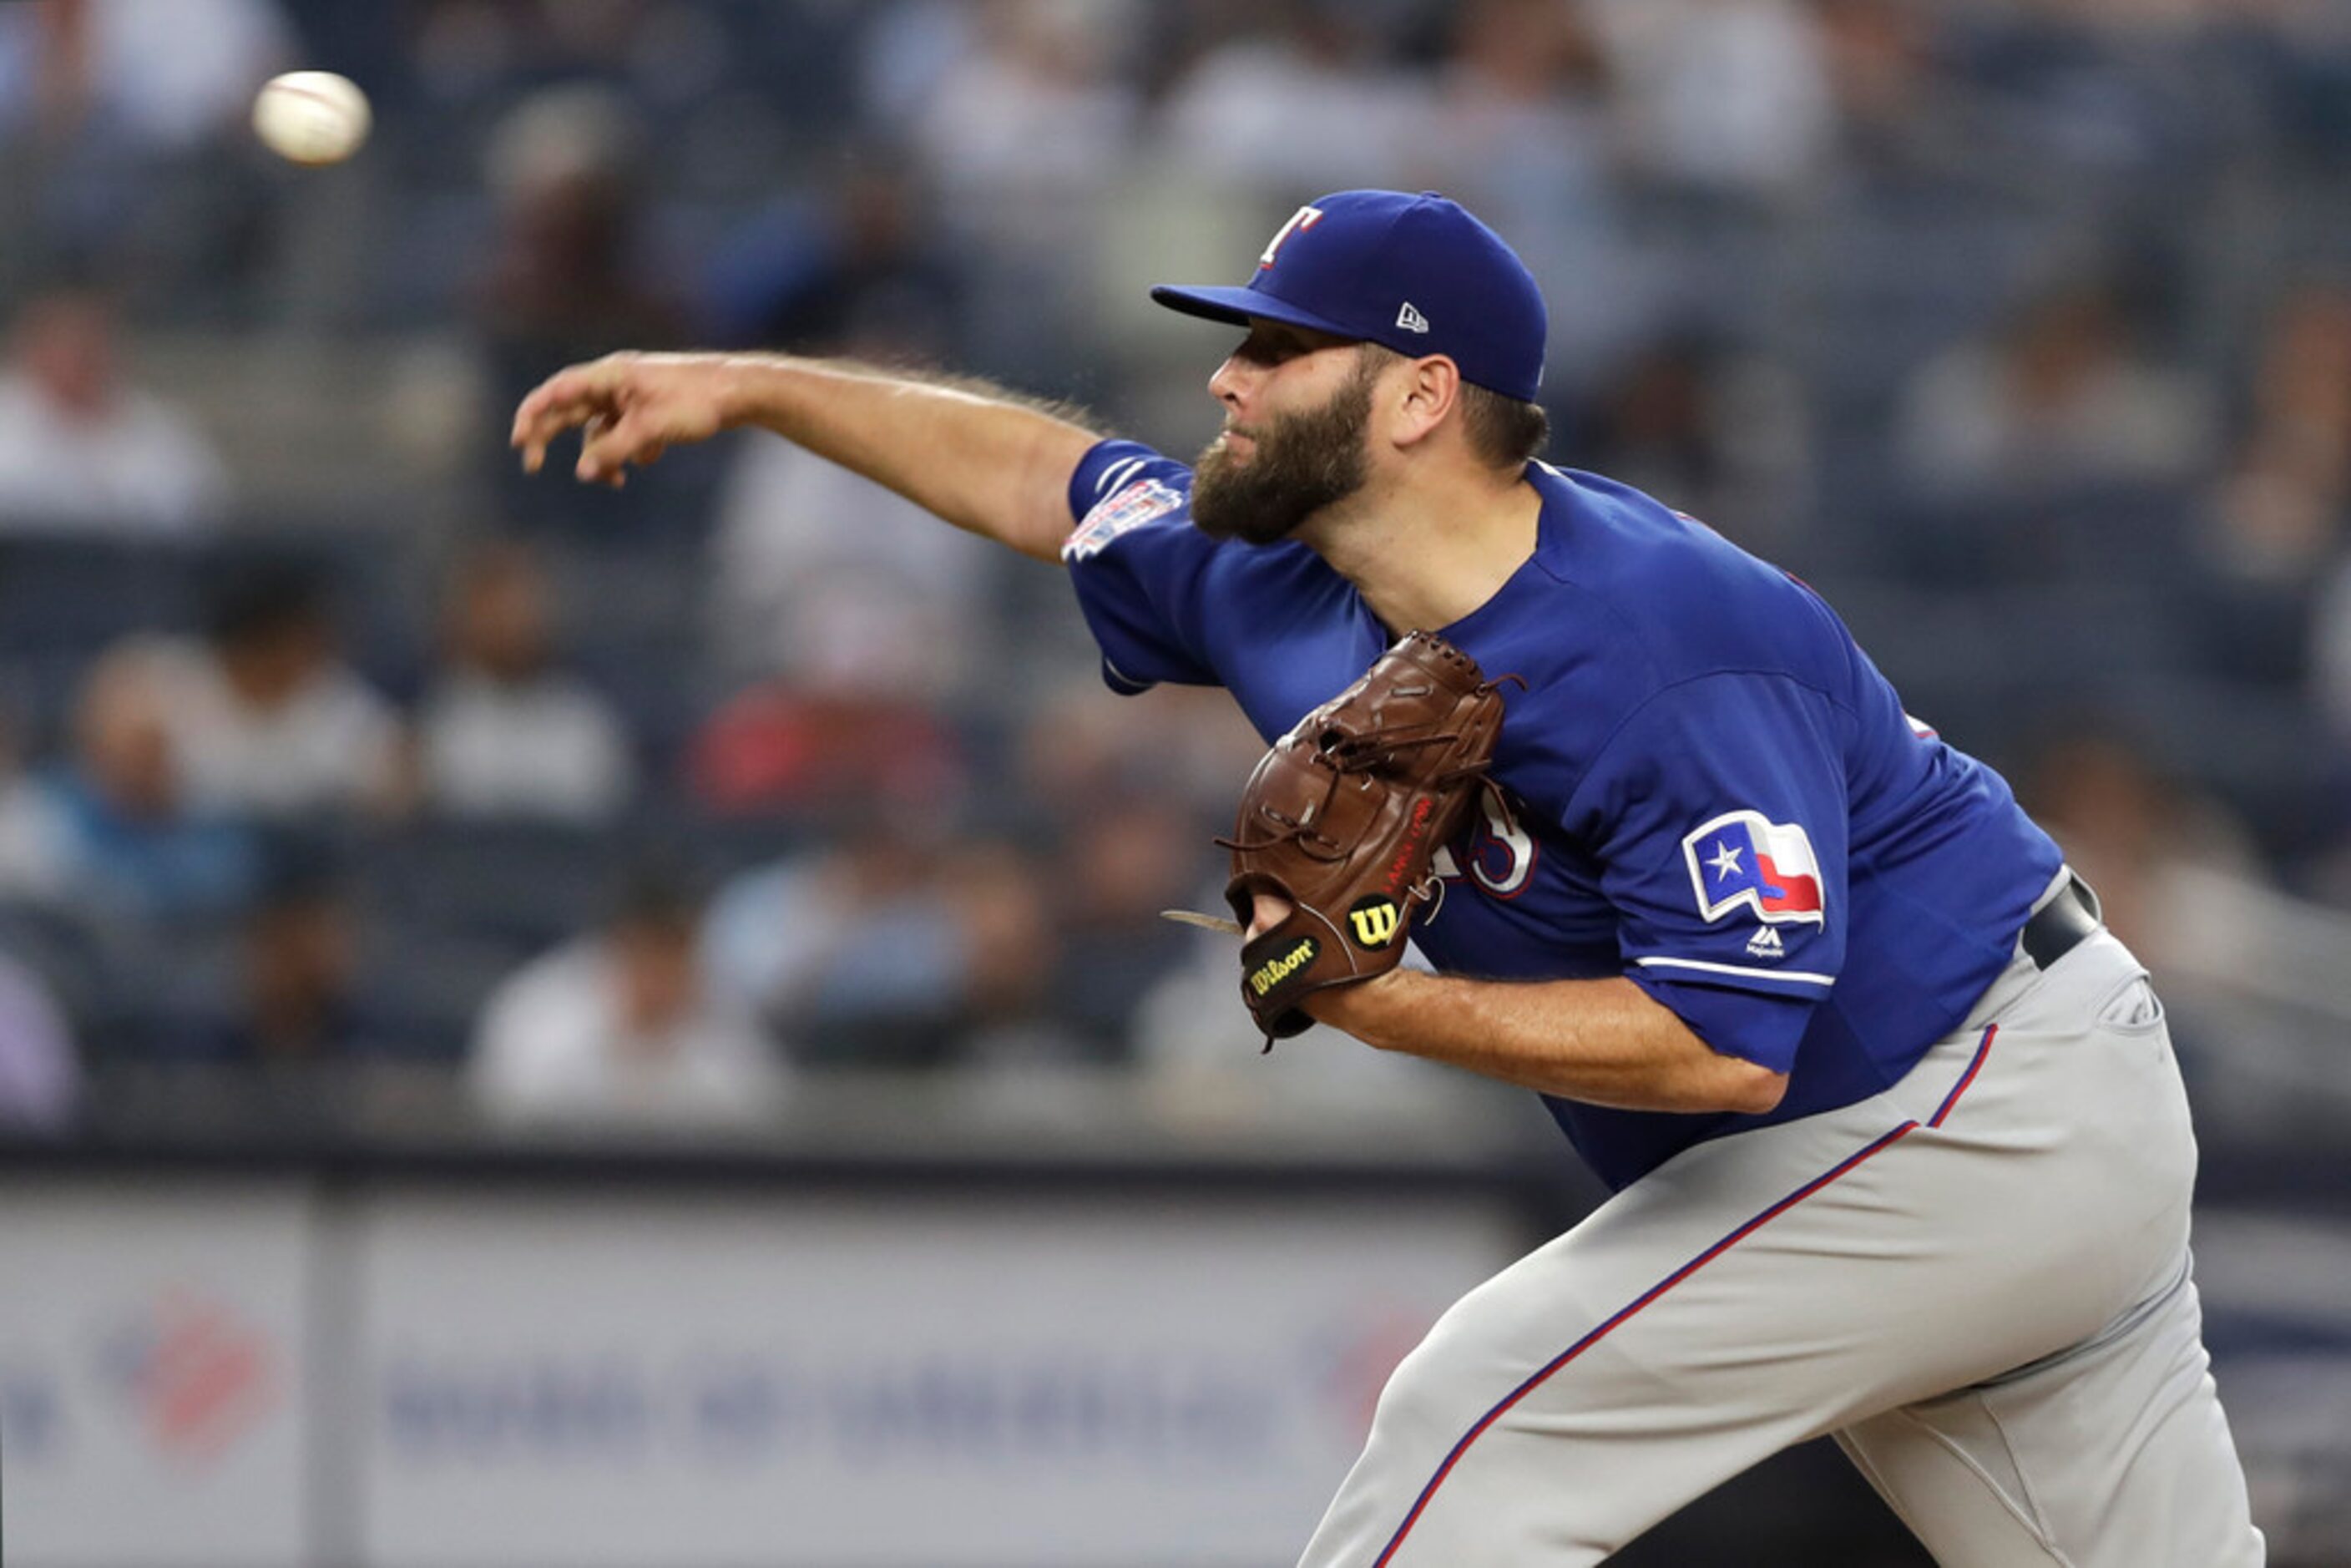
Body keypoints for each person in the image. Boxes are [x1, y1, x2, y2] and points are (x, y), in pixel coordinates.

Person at [510, 189, 2263, 1564]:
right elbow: (1049, 482)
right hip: (1941, 1134)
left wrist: (1385, 1002)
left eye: (1277, 349)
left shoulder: (1664, 639)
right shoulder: (1274, 577)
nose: (1226, 378)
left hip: (1967, 1103)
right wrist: (750, 387)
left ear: (1420, 395)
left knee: (1475, 1418)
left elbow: (1729, 1041)